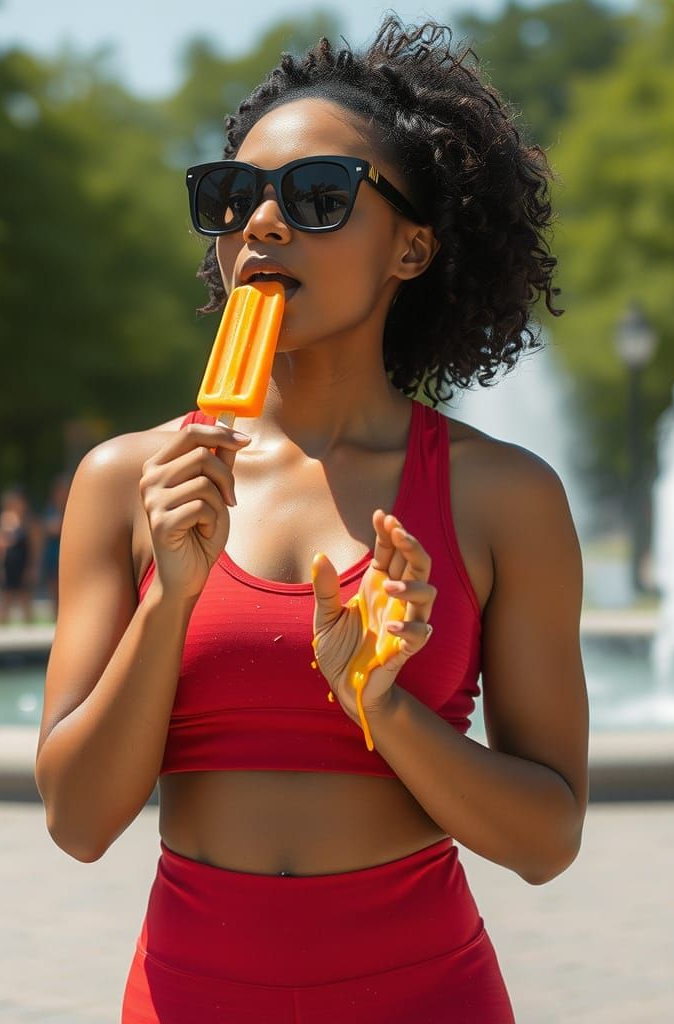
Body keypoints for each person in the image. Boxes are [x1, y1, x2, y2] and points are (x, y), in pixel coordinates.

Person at [36, 19, 588, 1023]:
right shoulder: (127, 481)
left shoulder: (501, 496)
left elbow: (547, 840)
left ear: (411, 248)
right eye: (231, 197)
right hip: (186, 994)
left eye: (319, 197)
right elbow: (77, 821)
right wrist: (170, 599)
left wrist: (381, 705)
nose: (262, 224)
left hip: (425, 993)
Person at [0, 486, 41, 625]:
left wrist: (33, 567)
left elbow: (36, 547)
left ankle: (28, 629)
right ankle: (2, 630)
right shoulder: (4, 519)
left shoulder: (30, 522)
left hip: (24, 562)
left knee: (25, 597)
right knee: (5, 597)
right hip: (8, 563)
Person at [39, 472, 70, 618]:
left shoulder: (74, 508)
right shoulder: (50, 510)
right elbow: (50, 529)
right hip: (53, 555)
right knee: (54, 590)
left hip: (71, 555)